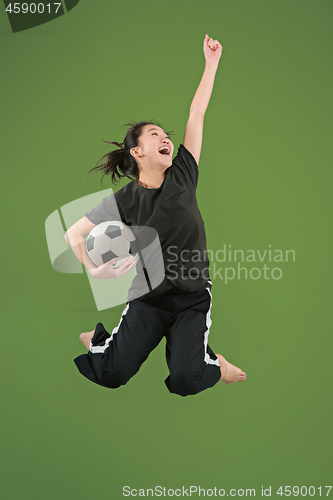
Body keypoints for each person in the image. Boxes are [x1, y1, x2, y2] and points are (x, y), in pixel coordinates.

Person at [65, 34, 246, 397]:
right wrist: (93, 268)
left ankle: (216, 363)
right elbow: (73, 234)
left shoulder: (184, 173)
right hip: (148, 299)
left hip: (192, 298)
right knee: (111, 373)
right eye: (154, 135)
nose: (165, 138)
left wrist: (211, 64)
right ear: (137, 151)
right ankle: (100, 340)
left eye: (166, 134)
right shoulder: (125, 201)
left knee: (185, 379)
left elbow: (197, 113)